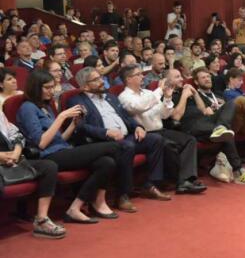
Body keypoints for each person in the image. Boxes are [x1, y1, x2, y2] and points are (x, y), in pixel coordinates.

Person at [17, 70, 120, 223]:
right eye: (47, 87)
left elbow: (60, 139)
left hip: (63, 150)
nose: (51, 91)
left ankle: (75, 208)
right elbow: (41, 143)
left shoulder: (45, 106)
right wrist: (61, 117)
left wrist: (73, 124)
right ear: (35, 87)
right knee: (114, 147)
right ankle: (107, 198)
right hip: (47, 157)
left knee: (106, 162)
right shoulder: (27, 108)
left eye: (53, 87)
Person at [68, 67, 171, 213]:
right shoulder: (77, 101)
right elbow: (81, 126)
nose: (101, 81)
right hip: (103, 141)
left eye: (101, 77)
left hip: (125, 135)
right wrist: (106, 132)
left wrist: (138, 126)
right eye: (96, 80)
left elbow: (127, 117)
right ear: (85, 85)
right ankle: (123, 195)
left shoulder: (110, 96)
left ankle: (150, 185)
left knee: (155, 139)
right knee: (127, 147)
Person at [118, 64, 207, 194]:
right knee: (169, 145)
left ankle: (186, 179)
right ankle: (181, 181)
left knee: (189, 140)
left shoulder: (148, 92)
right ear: (128, 79)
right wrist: (159, 90)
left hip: (160, 129)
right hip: (145, 135)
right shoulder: (124, 96)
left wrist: (167, 98)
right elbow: (139, 106)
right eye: (138, 74)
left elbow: (164, 114)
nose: (142, 76)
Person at [165, 68, 245, 185]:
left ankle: (220, 127)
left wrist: (195, 94)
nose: (181, 79)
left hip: (205, 119)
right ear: (167, 80)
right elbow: (176, 117)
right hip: (190, 126)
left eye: (181, 76)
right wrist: (184, 96)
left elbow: (203, 110)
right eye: (177, 77)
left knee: (232, 103)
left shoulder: (185, 91)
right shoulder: (166, 95)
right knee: (227, 133)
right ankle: (239, 172)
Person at [0, 109, 65, 239]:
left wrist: (16, 151)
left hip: (12, 157)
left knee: (48, 167)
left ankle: (42, 220)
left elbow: (14, 132)